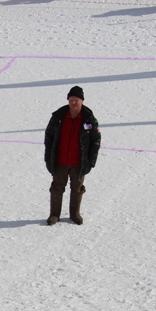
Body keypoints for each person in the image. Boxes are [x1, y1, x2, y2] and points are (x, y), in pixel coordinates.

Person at [43, 86, 101, 226]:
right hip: (60, 161)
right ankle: (54, 214)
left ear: (82, 101)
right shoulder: (58, 117)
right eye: (71, 100)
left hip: (79, 162)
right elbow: (49, 136)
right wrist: (48, 156)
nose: (73, 103)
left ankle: (75, 214)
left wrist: (90, 162)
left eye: (76, 100)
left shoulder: (89, 119)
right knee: (57, 187)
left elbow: (95, 141)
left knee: (77, 188)